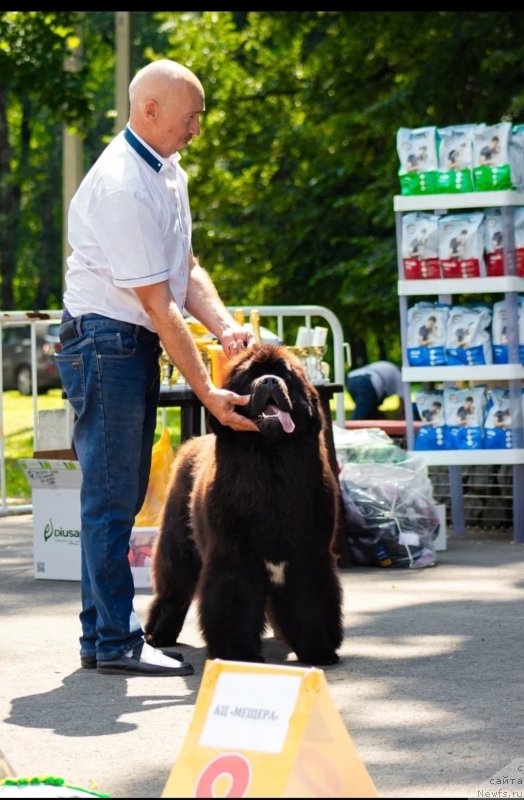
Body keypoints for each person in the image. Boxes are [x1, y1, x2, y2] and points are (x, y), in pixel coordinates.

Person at [56, 59, 259, 677]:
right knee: (111, 498)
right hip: (106, 341)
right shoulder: (123, 184)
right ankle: (117, 641)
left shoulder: (167, 171)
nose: (197, 128)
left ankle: (102, 636)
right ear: (149, 111)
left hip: (125, 340)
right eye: (190, 116)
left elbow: (185, 270)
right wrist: (209, 392)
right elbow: (159, 305)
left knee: (118, 493)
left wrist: (225, 328)